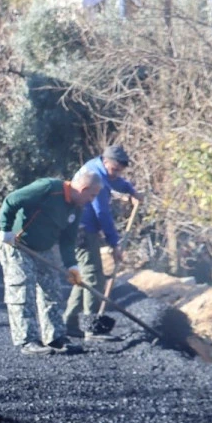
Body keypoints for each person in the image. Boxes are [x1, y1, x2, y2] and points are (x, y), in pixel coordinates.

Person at [0, 168, 103, 356]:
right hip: (18, 245)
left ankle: (56, 337)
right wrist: (6, 229)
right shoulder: (48, 188)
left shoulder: (76, 207)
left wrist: (72, 266)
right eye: (92, 195)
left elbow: (68, 241)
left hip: (44, 249)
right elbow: (12, 200)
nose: (92, 200)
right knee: (23, 291)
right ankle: (28, 340)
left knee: (52, 291)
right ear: (84, 188)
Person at [63, 144, 143, 340]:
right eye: (114, 169)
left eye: (119, 171)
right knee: (93, 278)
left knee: (85, 276)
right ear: (105, 161)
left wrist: (131, 191)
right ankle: (91, 328)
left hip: (78, 227)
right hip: (81, 230)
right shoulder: (95, 176)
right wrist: (114, 244)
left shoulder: (99, 169)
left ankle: (69, 322)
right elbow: (102, 214)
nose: (116, 174)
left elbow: (116, 182)